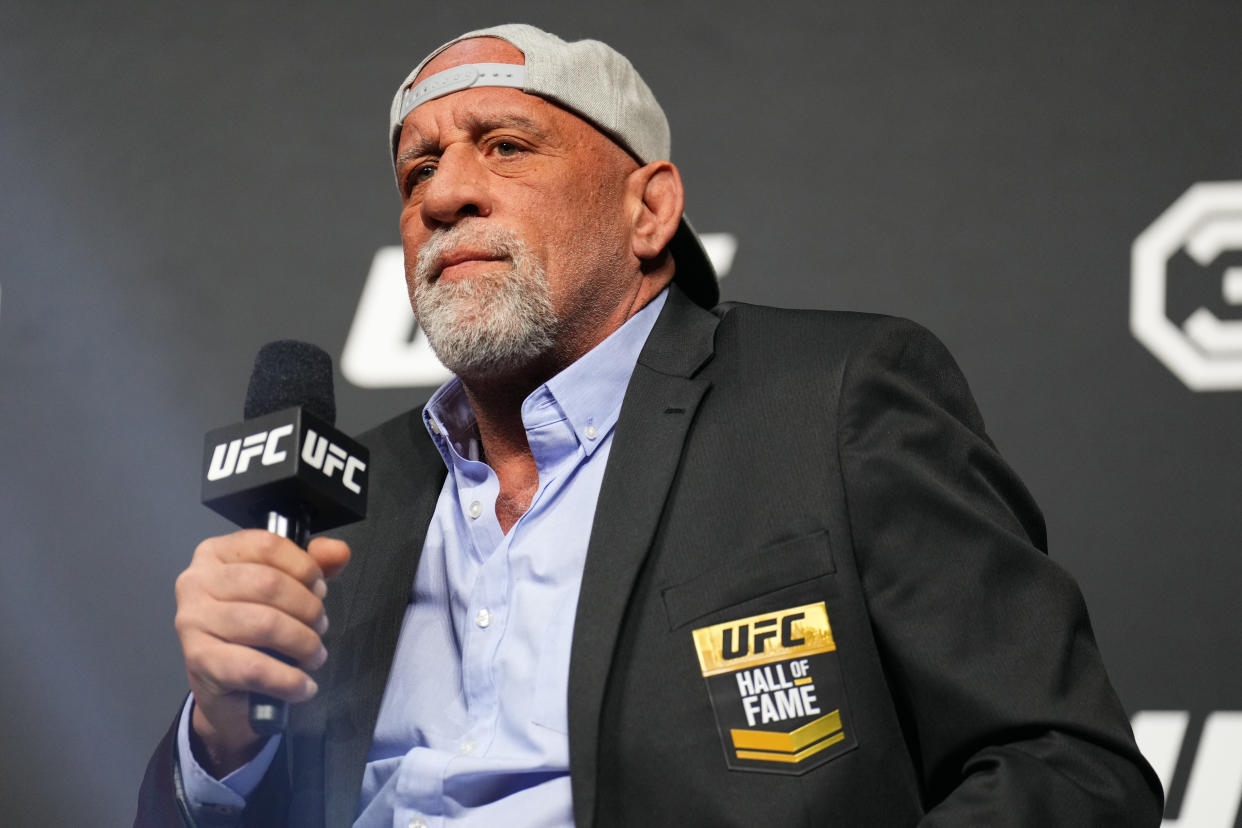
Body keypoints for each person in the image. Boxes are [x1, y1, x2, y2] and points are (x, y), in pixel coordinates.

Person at [137, 23, 1163, 827]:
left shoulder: (833, 398)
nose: (445, 193)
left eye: (505, 146)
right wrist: (224, 736)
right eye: (416, 175)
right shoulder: (347, 506)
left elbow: (1066, 772)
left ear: (650, 209)